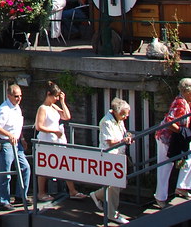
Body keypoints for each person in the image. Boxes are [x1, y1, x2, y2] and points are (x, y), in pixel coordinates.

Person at [154, 78, 191, 208]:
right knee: (166, 166)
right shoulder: (180, 103)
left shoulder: (182, 101)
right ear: (187, 91)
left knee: (189, 158)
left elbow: (186, 106)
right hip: (167, 139)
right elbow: (168, 121)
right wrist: (182, 132)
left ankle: (182, 187)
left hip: (174, 138)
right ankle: (161, 197)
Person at [34, 82, 85, 201]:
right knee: (44, 167)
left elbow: (66, 116)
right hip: (46, 141)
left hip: (57, 141)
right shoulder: (43, 108)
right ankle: (41, 193)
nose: (56, 99)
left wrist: (62, 101)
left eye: (58, 96)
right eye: (55, 96)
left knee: (65, 164)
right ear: (48, 94)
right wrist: (54, 131)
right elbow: (38, 126)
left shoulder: (54, 107)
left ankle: (72, 191)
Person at [90, 97, 134, 225]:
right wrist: (123, 141)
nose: (126, 117)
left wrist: (127, 137)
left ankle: (97, 195)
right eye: (123, 114)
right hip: (110, 157)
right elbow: (109, 142)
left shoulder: (118, 120)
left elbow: (122, 134)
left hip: (119, 155)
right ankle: (112, 214)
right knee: (115, 185)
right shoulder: (106, 122)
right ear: (116, 112)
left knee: (121, 183)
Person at [0, 84, 30, 211]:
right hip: (6, 143)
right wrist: (9, 135)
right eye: (16, 96)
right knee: (6, 173)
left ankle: (20, 196)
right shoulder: (4, 109)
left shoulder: (17, 107)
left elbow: (17, 126)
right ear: (9, 96)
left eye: (20, 96)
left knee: (25, 168)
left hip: (17, 143)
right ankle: (4, 201)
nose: (19, 98)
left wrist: (22, 139)